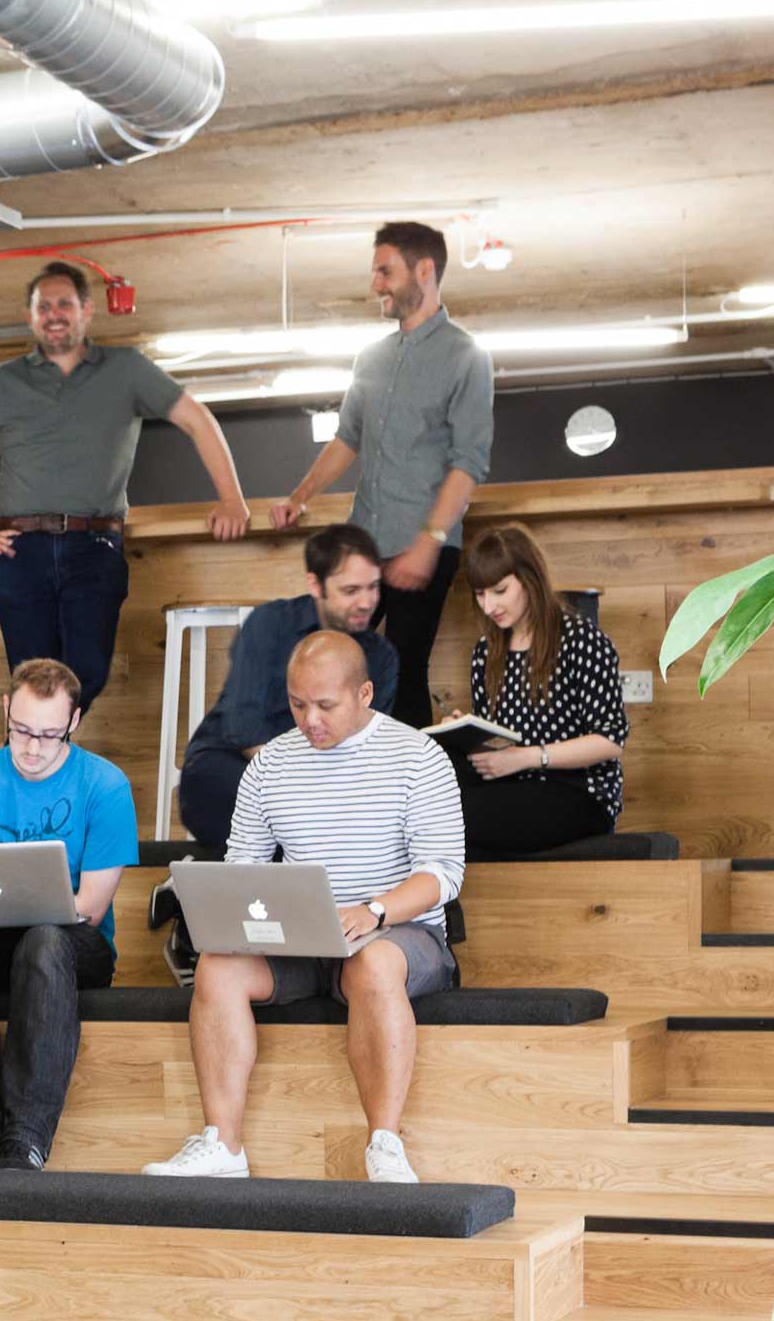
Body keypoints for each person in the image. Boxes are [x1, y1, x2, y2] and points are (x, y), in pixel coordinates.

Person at [146, 633, 465, 1186]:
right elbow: (242, 865)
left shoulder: (419, 756)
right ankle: (223, 1144)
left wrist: (374, 911)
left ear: (365, 694)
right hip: (300, 941)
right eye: (297, 705)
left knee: (373, 964)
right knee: (218, 968)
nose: (309, 720)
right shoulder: (270, 765)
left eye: (325, 705)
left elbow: (443, 875)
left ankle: (384, 1144)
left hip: (397, 935)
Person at [0, 260, 253, 705]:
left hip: (94, 547)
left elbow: (198, 421)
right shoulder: (4, 381)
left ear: (87, 310)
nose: (53, 313)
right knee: (30, 683)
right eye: (42, 306)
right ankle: (37, 756)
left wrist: (233, 500)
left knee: (87, 672)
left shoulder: (127, 369)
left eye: (64, 303)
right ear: (31, 316)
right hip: (19, 551)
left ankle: (29, 751)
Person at [269, 222, 495, 727]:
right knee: (341, 668)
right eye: (375, 271)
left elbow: (468, 462)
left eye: (384, 271)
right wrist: (299, 498)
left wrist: (428, 541)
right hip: (363, 550)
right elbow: (348, 438)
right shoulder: (370, 359)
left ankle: (405, 796)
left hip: (424, 546)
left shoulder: (466, 357)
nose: (375, 284)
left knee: (403, 670)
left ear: (424, 270)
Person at [0, 658, 138, 1172]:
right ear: (5, 710)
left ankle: (26, 1136)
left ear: (74, 722)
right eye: (21, 730)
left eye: (49, 734)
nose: (33, 747)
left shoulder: (104, 785)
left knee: (45, 937)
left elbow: (90, 907)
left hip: (73, 946)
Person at [174, 524, 401, 849]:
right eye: (351, 591)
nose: (367, 602)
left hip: (324, 781)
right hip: (237, 763)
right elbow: (245, 731)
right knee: (231, 796)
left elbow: (363, 747)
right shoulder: (270, 623)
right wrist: (301, 793)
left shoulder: (381, 657)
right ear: (315, 584)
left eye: (374, 587)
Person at [456, 525, 628, 856]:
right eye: (480, 595)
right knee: (432, 796)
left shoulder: (582, 641)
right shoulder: (485, 652)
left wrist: (528, 757)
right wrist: (465, 733)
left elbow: (609, 741)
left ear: (529, 579)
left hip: (579, 792)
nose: (489, 606)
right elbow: (497, 739)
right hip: (512, 785)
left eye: (499, 590)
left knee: (458, 815)